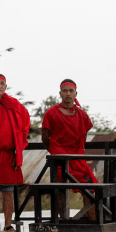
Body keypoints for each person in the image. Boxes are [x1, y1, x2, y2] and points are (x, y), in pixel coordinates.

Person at [41, 79, 98, 220]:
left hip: (78, 158)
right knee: (60, 190)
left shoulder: (82, 115)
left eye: (71, 91)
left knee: (91, 189)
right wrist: (54, 150)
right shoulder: (51, 113)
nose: (68, 93)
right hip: (59, 158)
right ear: (60, 93)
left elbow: (86, 128)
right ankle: (64, 223)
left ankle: (94, 222)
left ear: (75, 93)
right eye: (65, 91)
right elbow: (45, 136)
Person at [0, 73, 31, 231]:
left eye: (2, 83)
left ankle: (8, 225)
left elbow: (25, 122)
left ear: (6, 86)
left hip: (8, 154)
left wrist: (18, 142)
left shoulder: (13, 104)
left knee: (8, 192)